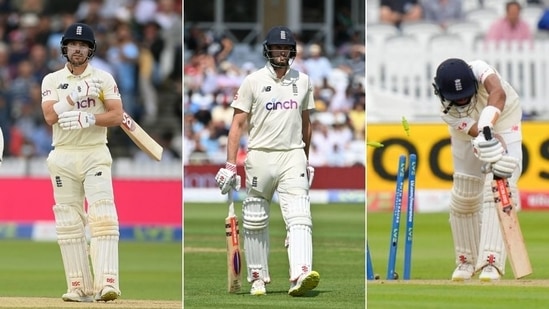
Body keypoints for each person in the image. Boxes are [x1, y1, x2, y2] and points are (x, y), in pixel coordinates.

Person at [214, 25, 319, 296]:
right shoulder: (252, 81)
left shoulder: (304, 81)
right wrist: (229, 164)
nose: (281, 52)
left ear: (292, 51)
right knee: (255, 219)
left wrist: (305, 160)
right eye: (277, 47)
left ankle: (302, 273)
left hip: (292, 155)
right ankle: (257, 277)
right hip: (260, 154)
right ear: (268, 50)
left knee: (300, 215)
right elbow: (237, 125)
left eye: (285, 48)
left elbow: (306, 124)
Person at [40, 23, 124, 302]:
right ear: (65, 48)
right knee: (68, 222)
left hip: (94, 151)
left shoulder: (103, 79)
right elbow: (50, 117)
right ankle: (79, 287)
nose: (78, 49)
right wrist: (73, 97)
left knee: (103, 216)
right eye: (73, 45)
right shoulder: (51, 80)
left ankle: (107, 283)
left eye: (83, 45)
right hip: (62, 153)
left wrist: (90, 118)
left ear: (90, 49)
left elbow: (116, 115)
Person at [432, 58, 522, 281]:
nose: (462, 100)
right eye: (456, 99)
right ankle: (466, 260)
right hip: (470, 129)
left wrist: (487, 125)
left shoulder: (480, 69)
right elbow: (476, 133)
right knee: (465, 190)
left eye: (466, 95)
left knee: (504, 178)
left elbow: (498, 92)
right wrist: (484, 136)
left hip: (505, 115)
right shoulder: (447, 112)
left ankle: (491, 262)